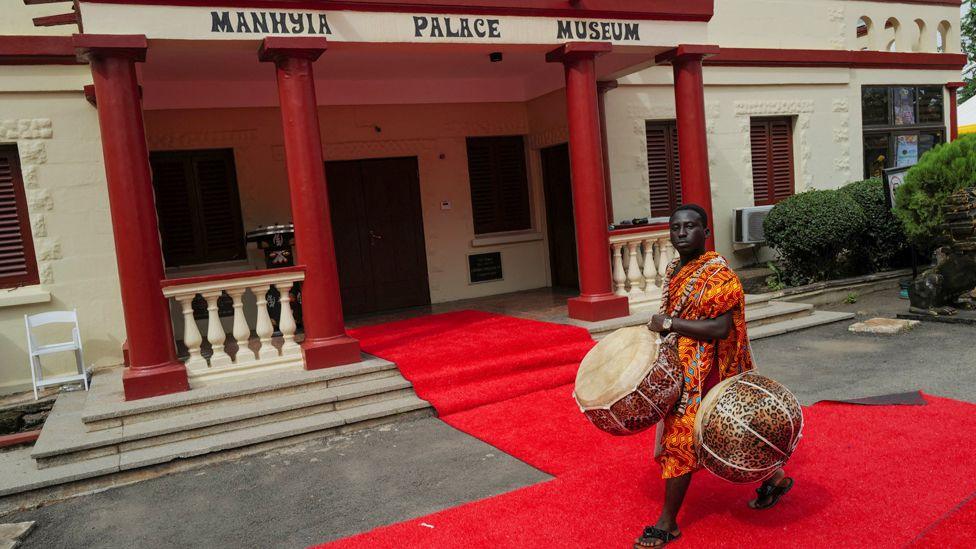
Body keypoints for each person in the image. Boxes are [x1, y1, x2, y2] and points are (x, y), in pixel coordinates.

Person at [634, 204, 793, 548]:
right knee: (731, 433)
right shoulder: (677, 268)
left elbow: (721, 328)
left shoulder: (720, 276)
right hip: (687, 367)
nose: (681, 233)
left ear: (706, 233)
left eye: (690, 227)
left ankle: (667, 524)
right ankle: (777, 478)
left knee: (680, 440)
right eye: (675, 228)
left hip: (711, 371)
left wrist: (670, 324)